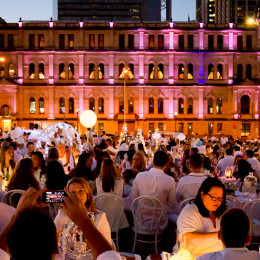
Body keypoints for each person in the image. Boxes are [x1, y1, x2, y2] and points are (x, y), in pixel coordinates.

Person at [0, 187, 121, 260]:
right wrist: (84, 221)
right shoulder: (63, 214)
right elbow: (109, 256)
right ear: (56, 249)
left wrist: (18, 215)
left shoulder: (100, 216)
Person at [174, 177, 226, 259]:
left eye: (220, 198)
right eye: (213, 197)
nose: (217, 201)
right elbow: (188, 238)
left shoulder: (221, 213)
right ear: (202, 194)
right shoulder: (190, 211)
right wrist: (220, 236)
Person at [54, 177, 112, 245]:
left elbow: (107, 249)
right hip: (67, 255)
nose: (77, 195)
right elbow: (52, 240)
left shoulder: (100, 217)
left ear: (87, 194)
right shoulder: (62, 214)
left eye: (81, 191)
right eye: (73, 192)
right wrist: (67, 230)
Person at [131, 151, 177, 231]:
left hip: (140, 222)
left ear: (153, 162)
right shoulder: (170, 180)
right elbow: (172, 204)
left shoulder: (140, 176)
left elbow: (132, 198)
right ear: (166, 165)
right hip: (160, 224)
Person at [95, 159, 129, 230]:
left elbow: (92, 193)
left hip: (102, 215)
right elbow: (121, 195)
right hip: (116, 216)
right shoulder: (120, 181)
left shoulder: (98, 181)